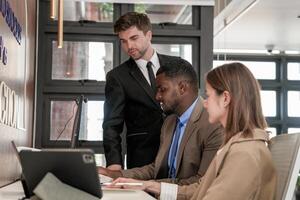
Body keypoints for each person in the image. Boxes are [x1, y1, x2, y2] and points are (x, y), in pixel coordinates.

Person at [111, 62, 277, 200]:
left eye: (209, 95)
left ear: (225, 98)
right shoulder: (238, 146)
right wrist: (149, 185)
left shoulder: (244, 154)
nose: (205, 103)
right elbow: (200, 189)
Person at [99, 59, 223, 185]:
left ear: (182, 88)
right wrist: (114, 175)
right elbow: (156, 169)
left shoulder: (213, 124)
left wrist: (150, 186)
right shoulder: (169, 122)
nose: (157, 96)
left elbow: (201, 183)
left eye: (162, 89)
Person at [103, 12, 183, 170]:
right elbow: (111, 125)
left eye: (134, 38)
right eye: (123, 41)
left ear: (149, 35)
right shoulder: (117, 77)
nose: (129, 46)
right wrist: (114, 163)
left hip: (179, 152)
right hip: (142, 157)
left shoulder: (177, 65)